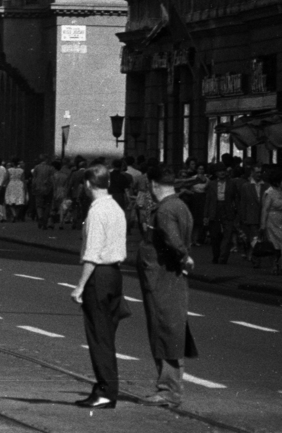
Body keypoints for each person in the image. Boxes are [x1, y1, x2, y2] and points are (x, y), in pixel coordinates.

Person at [137, 167, 198, 408]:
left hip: (161, 279)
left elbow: (173, 239)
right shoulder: (180, 206)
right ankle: (170, 387)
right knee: (171, 329)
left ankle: (169, 389)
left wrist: (184, 257)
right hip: (167, 277)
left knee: (165, 331)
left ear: (153, 185)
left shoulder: (164, 210)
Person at [71, 164, 128, 408]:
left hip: (100, 275)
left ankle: (105, 391)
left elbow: (93, 253)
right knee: (106, 335)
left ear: (87, 184)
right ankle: (105, 388)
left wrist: (80, 286)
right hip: (114, 274)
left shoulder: (96, 212)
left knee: (99, 336)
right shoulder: (116, 207)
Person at [202, 166, 239, 264]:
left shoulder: (232, 184)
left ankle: (223, 258)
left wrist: (236, 211)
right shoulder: (212, 184)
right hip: (215, 209)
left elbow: (236, 198)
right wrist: (206, 215)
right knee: (215, 235)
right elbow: (208, 200)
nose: (222, 173)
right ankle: (216, 256)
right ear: (216, 173)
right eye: (219, 171)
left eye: (223, 171)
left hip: (227, 210)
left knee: (228, 234)